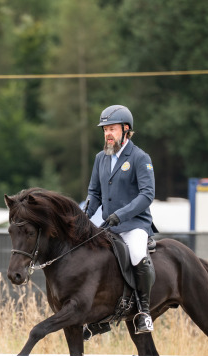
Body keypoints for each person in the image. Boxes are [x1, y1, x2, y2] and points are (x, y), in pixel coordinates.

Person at [85, 104, 156, 333]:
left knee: (136, 253)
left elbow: (147, 195)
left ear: (126, 130)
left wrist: (120, 215)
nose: (107, 134)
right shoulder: (100, 158)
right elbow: (94, 193)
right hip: (109, 226)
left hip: (134, 224)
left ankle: (144, 312)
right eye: (105, 129)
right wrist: (84, 218)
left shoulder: (139, 157)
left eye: (112, 128)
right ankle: (102, 317)